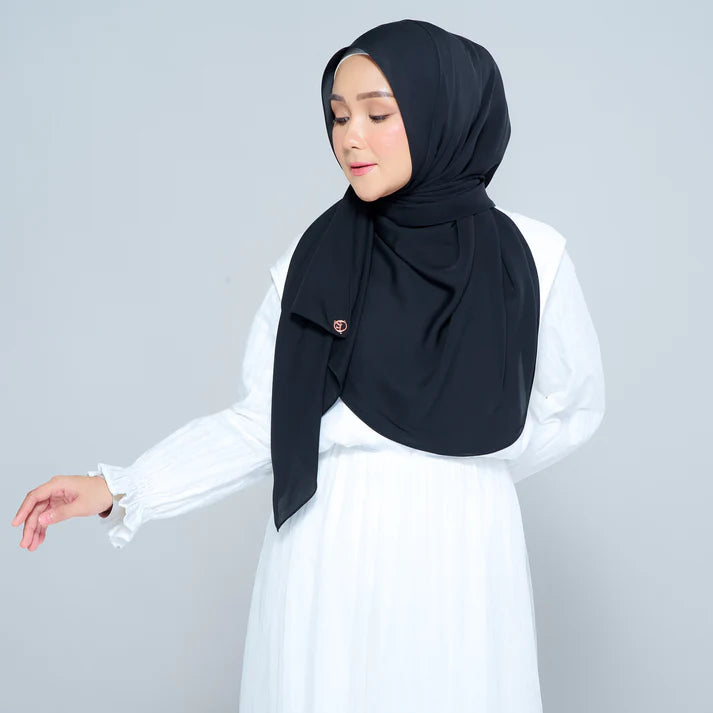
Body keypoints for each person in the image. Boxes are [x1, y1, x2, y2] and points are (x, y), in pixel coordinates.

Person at [11, 19, 605, 713]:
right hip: (330, 546)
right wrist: (123, 487)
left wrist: (462, 463)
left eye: (378, 114)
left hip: (464, 549)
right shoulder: (314, 260)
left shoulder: (532, 258)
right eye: (338, 115)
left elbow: (571, 408)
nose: (350, 137)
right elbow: (259, 423)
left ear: (442, 114)